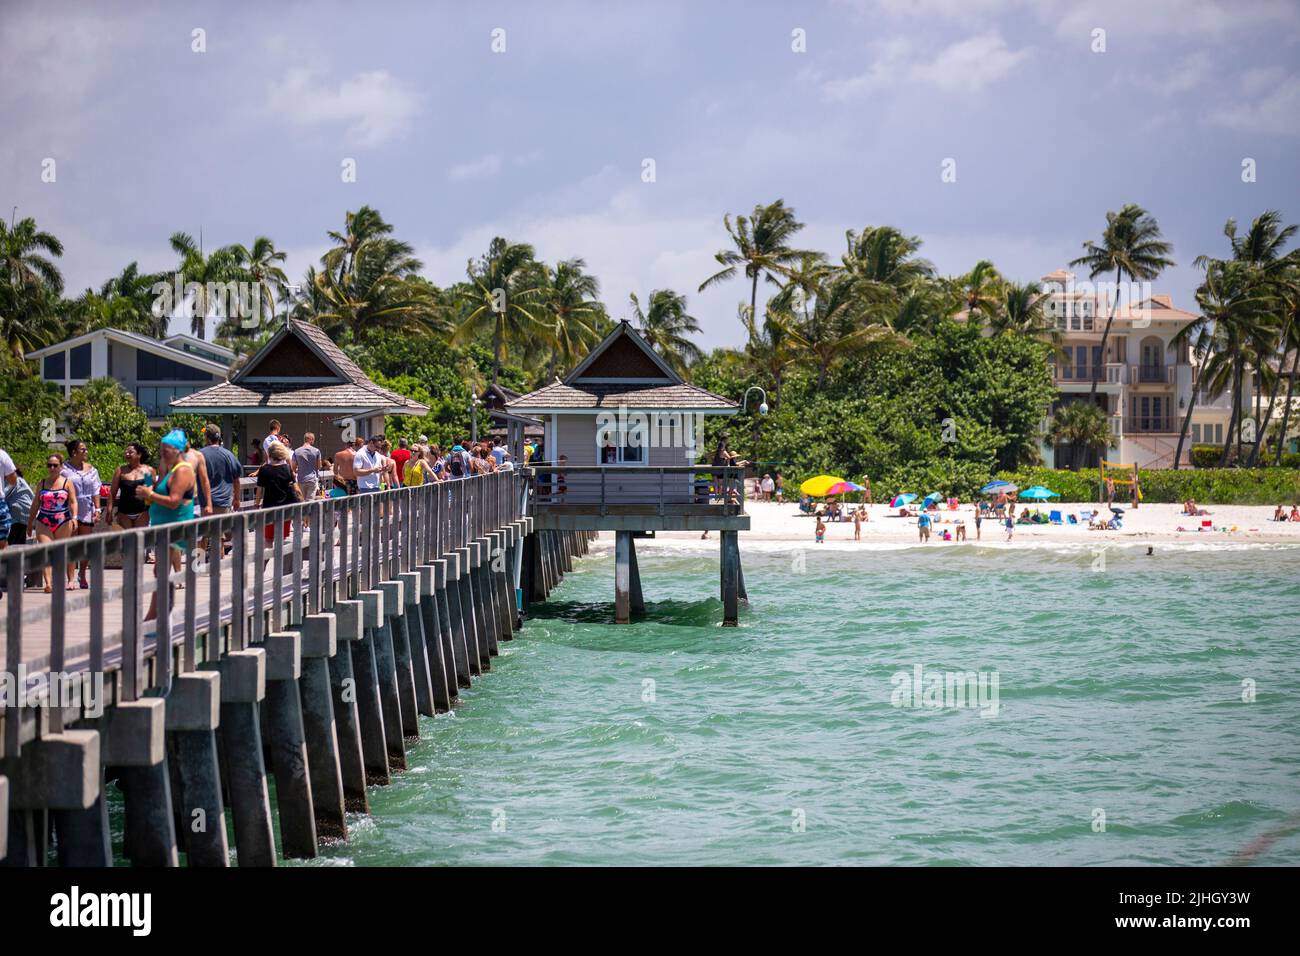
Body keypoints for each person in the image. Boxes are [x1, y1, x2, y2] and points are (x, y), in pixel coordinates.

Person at [136, 430, 197, 617]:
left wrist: (150, 494)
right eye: (161, 450)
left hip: (175, 527)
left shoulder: (183, 470)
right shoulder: (172, 470)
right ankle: (158, 613)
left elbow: (174, 500)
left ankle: (156, 615)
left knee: (161, 571)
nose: (162, 454)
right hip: (165, 527)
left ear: (177, 450)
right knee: (160, 570)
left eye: (166, 450)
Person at [35, 452, 78, 592]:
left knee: (64, 551)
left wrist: (75, 517)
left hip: (63, 520)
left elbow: (73, 501)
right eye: (49, 465)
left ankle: (71, 579)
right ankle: (48, 583)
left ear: (61, 467)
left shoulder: (67, 482)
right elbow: (35, 504)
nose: (52, 468)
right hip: (43, 520)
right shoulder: (41, 483)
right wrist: (30, 523)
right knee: (46, 551)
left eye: (55, 465)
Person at [62, 439, 102, 589]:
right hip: (70, 508)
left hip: (87, 509)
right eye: (83, 449)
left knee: (85, 544)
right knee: (71, 544)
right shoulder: (64, 469)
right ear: (74, 452)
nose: (86, 452)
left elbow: (96, 490)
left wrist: (98, 509)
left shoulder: (92, 469)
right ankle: (70, 578)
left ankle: (83, 574)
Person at [256, 440, 301, 545]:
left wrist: (256, 504)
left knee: (268, 540)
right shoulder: (287, 468)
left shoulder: (264, 469)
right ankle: (280, 560)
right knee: (281, 540)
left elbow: (259, 489)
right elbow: (296, 489)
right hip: (286, 509)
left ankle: (264, 561)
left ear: (269, 454)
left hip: (269, 508)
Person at [109, 442, 155, 532]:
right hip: (124, 512)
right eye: (126, 452)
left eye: (130, 452)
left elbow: (150, 492)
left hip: (142, 512)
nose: (127, 454)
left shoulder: (147, 471)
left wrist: (149, 511)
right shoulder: (120, 470)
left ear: (139, 454)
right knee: (126, 542)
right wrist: (109, 512)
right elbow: (112, 493)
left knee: (139, 542)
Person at [292, 432, 323, 503]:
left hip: (301, 480)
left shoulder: (296, 451)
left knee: (301, 501)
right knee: (310, 502)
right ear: (310, 439)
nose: (313, 441)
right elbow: (319, 466)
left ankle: (302, 514)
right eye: (313, 440)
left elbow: (293, 467)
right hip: (312, 480)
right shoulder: (316, 451)